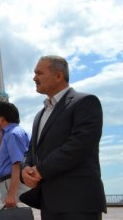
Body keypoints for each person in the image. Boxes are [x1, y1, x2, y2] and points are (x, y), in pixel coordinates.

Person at [21, 55, 106, 219]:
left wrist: (40, 170)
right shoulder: (40, 114)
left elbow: (78, 146)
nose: (34, 78)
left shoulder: (85, 102)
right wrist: (26, 168)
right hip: (50, 204)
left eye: (39, 73)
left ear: (59, 76)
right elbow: (32, 150)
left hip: (78, 203)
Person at [0, 100, 29, 209]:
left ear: (2, 118)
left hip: (13, 183)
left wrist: (11, 194)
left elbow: (17, 164)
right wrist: (1, 129)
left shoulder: (13, 134)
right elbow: (0, 153)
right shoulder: (10, 133)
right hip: (9, 182)